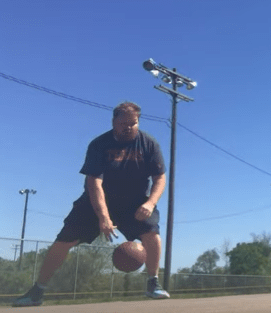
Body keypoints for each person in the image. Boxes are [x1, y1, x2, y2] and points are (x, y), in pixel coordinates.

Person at [13, 102, 170, 307]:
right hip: (96, 201)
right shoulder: (99, 144)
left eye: (134, 123)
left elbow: (160, 177)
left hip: (135, 202)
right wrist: (103, 217)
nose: (129, 127)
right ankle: (37, 292)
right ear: (114, 122)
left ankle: (153, 283)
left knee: (152, 233)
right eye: (124, 123)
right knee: (63, 242)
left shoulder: (149, 144)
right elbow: (94, 182)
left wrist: (150, 203)